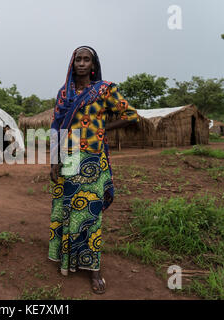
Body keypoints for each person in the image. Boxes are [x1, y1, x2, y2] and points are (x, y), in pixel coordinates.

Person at [48, 46, 139, 294]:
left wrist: (104, 129)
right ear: (72, 62)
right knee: (66, 210)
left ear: (93, 65)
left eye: (86, 59)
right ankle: (67, 259)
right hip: (67, 158)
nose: (81, 63)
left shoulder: (104, 90)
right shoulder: (64, 93)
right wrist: (54, 160)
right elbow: (56, 126)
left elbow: (131, 115)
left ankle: (93, 269)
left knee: (90, 213)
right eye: (78, 59)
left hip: (91, 159)